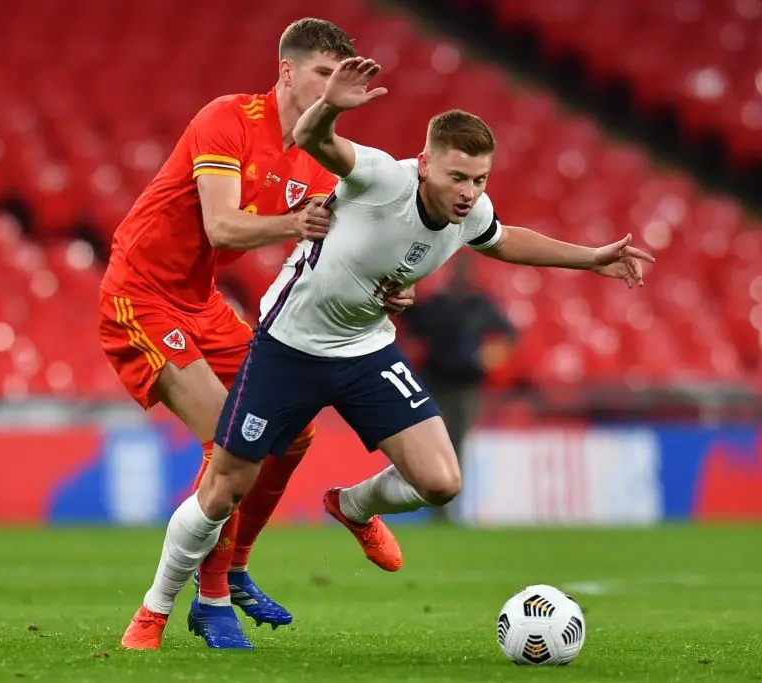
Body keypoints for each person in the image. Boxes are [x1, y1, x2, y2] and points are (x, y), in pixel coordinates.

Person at [122, 56, 655, 646]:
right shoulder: (378, 176)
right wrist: (332, 103)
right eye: (457, 177)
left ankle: (352, 506)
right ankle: (154, 610)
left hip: (366, 350)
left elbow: (504, 241)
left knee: (442, 481)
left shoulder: (471, 210)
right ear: (425, 163)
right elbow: (311, 138)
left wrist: (592, 257)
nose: (469, 193)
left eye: (479, 179)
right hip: (288, 347)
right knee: (223, 488)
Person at [106, 19, 412, 650]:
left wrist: (386, 287)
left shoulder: (324, 161)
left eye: (340, 76)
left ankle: (236, 566)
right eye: (322, 74)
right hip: (139, 294)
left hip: (201, 302)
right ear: (286, 72)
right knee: (228, 441)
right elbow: (221, 228)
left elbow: (344, 253)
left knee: (292, 428)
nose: (332, 86)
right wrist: (297, 224)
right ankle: (193, 601)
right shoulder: (227, 119)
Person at [400, 255, 516, 521]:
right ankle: (438, 506)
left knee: (457, 445)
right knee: (437, 446)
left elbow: (508, 334)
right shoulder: (437, 304)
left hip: (466, 386)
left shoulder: (480, 305)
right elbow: (410, 323)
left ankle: (448, 508)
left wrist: (493, 354)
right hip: (435, 384)